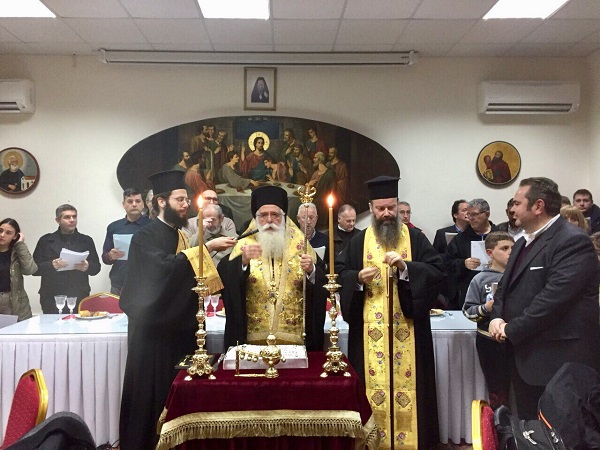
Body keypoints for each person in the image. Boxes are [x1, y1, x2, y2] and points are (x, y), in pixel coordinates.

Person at [119, 170, 228, 450]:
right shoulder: (144, 237)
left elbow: (186, 271)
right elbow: (163, 268)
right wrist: (206, 248)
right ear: (161, 202)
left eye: (186, 200)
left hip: (178, 329)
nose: (186, 205)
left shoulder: (180, 235)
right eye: (180, 199)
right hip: (153, 333)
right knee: (152, 395)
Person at [335, 175, 443, 449]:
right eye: (380, 208)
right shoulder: (359, 241)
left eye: (391, 208)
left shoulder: (415, 238)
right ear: (371, 208)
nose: (386, 214)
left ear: (397, 206)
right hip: (368, 334)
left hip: (410, 332)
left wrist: (407, 269)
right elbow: (341, 273)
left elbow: (436, 272)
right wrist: (357, 279)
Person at [489, 177, 600, 419]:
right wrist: (496, 318)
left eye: (517, 203)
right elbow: (505, 288)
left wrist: (510, 329)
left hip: (558, 361)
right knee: (530, 429)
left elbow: (554, 299)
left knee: (560, 431)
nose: (512, 209)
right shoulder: (522, 242)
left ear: (538, 206)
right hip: (525, 357)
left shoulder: (571, 240)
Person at [217, 185, 328, 351]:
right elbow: (225, 280)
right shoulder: (244, 244)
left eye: (275, 214)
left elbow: (322, 281)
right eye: (263, 215)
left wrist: (312, 270)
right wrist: (242, 262)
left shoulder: (300, 245)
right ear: (255, 218)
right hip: (252, 342)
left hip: (294, 340)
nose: (269, 220)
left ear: (283, 217)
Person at [462, 231, 514, 409]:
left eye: (513, 248)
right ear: (490, 253)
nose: (510, 252)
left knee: (518, 388)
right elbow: (468, 311)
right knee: (497, 389)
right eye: (504, 248)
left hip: (515, 338)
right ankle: (499, 421)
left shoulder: (519, 276)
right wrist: (486, 308)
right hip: (489, 342)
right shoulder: (480, 279)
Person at [32, 205, 101, 313]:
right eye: (67, 217)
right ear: (58, 220)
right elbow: (33, 269)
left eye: (74, 216)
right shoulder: (46, 240)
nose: (72, 220)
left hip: (79, 294)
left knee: (79, 323)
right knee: (52, 324)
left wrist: (87, 266)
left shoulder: (86, 240)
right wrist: (51, 265)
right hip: (52, 296)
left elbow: (96, 268)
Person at [445, 198, 498, 309]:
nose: (470, 218)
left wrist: (498, 263)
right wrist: (463, 263)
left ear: (487, 214)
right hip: (468, 290)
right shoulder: (460, 238)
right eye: (469, 215)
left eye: (474, 214)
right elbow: (448, 263)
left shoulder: (500, 235)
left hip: (496, 289)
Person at [101, 188, 151, 295]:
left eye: (138, 201)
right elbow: (105, 257)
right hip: (119, 283)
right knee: (115, 307)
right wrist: (110, 256)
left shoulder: (152, 226)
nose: (134, 204)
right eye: (130, 201)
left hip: (145, 284)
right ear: (123, 204)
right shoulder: (114, 227)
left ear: (143, 204)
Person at [0, 218, 37, 320]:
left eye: (8, 233)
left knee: (13, 330)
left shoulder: (17, 252)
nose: (2, 235)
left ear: (15, 236)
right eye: (0, 230)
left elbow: (30, 270)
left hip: (13, 302)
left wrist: (20, 244)